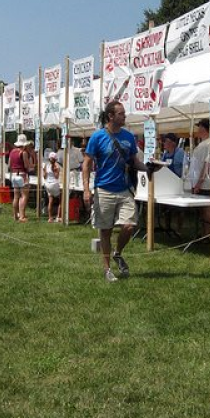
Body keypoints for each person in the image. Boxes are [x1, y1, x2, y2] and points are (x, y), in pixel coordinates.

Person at [83, 101, 157, 282]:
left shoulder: (129, 137)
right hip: (104, 189)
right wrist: (86, 190)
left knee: (129, 226)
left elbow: (133, 161)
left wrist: (148, 168)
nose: (125, 116)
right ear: (110, 116)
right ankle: (107, 268)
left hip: (125, 189)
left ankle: (118, 253)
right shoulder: (97, 137)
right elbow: (86, 164)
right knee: (106, 231)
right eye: (121, 114)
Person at [188, 118, 210, 237]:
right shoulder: (202, 143)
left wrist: (199, 183)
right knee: (201, 208)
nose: (198, 130)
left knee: (206, 207)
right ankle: (204, 232)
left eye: (200, 127)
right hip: (196, 181)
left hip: (204, 182)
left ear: (204, 128)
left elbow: (208, 165)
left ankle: (208, 233)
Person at [9, 134, 33, 222]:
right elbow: (27, 166)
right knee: (24, 196)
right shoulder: (23, 152)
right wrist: (33, 165)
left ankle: (15, 215)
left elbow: (9, 164)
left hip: (14, 175)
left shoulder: (12, 152)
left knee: (16, 196)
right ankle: (22, 216)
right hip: (22, 175)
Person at [44, 152, 61, 222]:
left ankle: (50, 218)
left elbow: (44, 177)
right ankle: (58, 217)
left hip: (47, 184)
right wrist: (54, 171)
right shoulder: (57, 166)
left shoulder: (46, 165)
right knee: (61, 199)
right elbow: (57, 177)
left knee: (50, 201)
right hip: (54, 184)